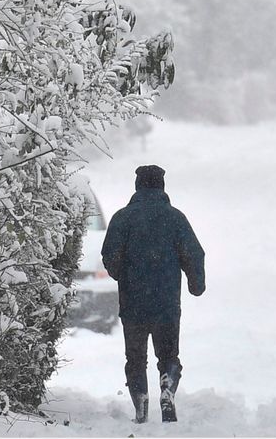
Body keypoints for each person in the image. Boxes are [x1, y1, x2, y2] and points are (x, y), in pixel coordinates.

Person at [102, 165, 206, 424]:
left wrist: (122, 275)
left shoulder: (122, 218)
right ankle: (167, 388)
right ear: (162, 187)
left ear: (137, 186)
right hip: (166, 303)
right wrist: (196, 285)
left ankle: (141, 402)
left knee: (135, 358)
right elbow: (194, 254)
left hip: (133, 302)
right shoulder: (175, 218)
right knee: (169, 355)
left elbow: (109, 255)